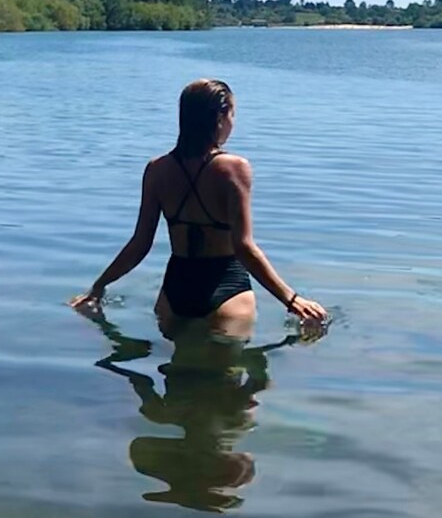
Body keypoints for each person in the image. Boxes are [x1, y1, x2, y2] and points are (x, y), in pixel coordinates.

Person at [70, 78, 327, 336]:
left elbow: (140, 244)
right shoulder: (234, 168)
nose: (233, 123)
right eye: (233, 115)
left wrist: (99, 286)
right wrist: (292, 299)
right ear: (220, 117)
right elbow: (243, 247)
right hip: (227, 288)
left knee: (176, 373)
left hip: (174, 293)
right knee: (234, 374)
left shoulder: (156, 170)